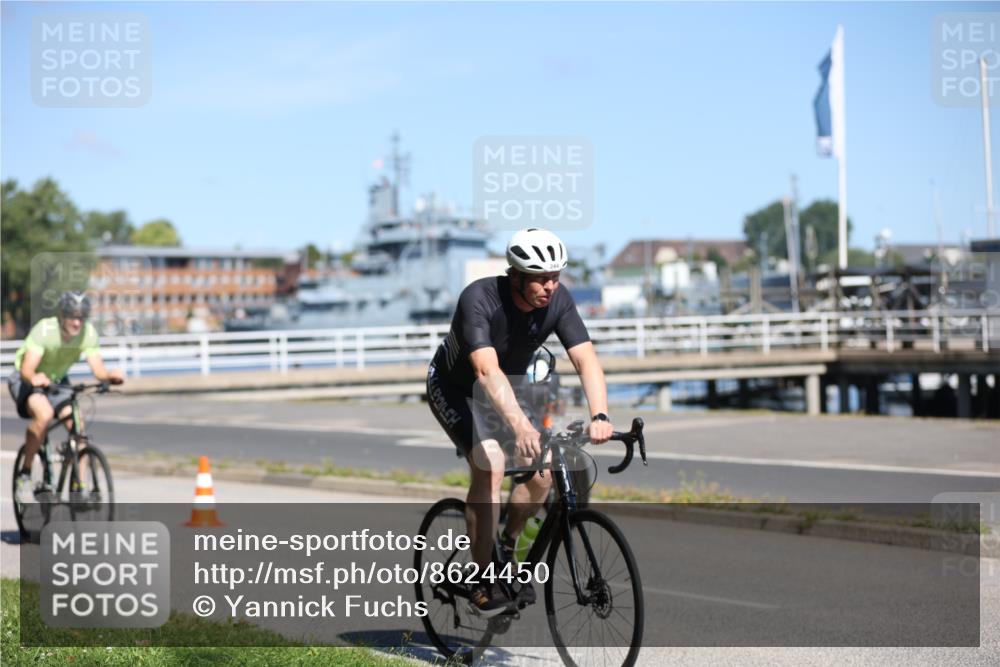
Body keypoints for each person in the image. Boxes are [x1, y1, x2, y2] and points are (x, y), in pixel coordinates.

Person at [426, 228, 613, 617]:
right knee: (491, 464)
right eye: (541, 278)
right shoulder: (479, 298)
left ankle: (507, 547)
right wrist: (521, 427)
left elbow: (585, 359)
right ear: (516, 276)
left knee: (542, 475)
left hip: (506, 389)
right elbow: (486, 370)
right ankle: (481, 579)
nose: (550, 286)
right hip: (458, 387)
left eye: (556, 276)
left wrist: (600, 415)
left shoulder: (558, 300)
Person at [8, 291, 124, 504]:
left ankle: (79, 487)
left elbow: (97, 368)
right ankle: (25, 473)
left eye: (81, 317)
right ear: (62, 315)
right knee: (44, 415)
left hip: (58, 381)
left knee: (77, 429)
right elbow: (26, 369)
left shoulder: (88, 333)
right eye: (72, 316)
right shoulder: (45, 330)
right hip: (28, 380)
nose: (77, 322)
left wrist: (109, 377)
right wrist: (35, 378)